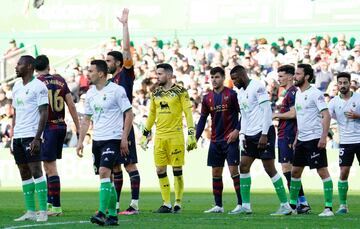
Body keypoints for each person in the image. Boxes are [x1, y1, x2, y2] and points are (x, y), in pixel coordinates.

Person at [76, 60, 133, 226]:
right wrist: (80, 141)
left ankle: (101, 213)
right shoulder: (90, 93)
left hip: (113, 138)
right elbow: (86, 119)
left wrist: (124, 138)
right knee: (106, 178)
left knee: (103, 172)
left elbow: (129, 114)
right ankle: (113, 215)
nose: (88, 73)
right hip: (97, 140)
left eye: (91, 71)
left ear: (101, 73)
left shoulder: (117, 90)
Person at [230, 65, 291, 215]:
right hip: (249, 134)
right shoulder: (240, 93)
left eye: (235, 79)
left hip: (263, 132)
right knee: (243, 166)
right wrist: (242, 136)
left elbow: (267, 111)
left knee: (269, 168)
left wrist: (264, 134)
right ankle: (245, 206)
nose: (233, 82)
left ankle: (285, 205)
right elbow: (243, 116)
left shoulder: (257, 86)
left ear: (242, 76)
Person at [139, 63, 197, 213]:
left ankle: (177, 202)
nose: (157, 77)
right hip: (159, 137)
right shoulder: (155, 93)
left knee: (177, 169)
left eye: (160, 74)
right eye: (157, 74)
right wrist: (145, 134)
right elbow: (152, 114)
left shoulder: (180, 91)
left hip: (175, 136)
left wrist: (191, 133)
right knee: (160, 169)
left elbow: (188, 112)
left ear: (169, 75)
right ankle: (166, 203)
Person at [35, 55, 80, 216]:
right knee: (48, 166)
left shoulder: (37, 83)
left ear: (34, 68)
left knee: (50, 167)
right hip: (61, 126)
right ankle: (50, 203)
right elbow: (71, 105)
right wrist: (78, 127)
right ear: (48, 65)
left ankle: (56, 207)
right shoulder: (60, 80)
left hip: (48, 127)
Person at [105, 8, 141, 215]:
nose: (107, 63)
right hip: (113, 127)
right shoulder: (110, 82)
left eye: (109, 61)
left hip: (125, 127)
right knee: (116, 168)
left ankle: (134, 205)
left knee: (129, 166)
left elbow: (126, 49)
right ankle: (116, 206)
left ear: (118, 62)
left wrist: (124, 25)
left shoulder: (126, 74)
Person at [195, 67, 242, 214]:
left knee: (234, 170)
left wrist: (237, 130)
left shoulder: (232, 95)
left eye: (216, 77)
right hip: (215, 141)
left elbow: (244, 114)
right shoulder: (207, 98)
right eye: (212, 77)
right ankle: (218, 206)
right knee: (216, 173)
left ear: (223, 78)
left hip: (230, 140)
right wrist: (195, 137)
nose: (214, 80)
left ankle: (241, 204)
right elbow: (203, 119)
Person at [289, 63, 333, 217]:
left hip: (315, 139)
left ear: (306, 76)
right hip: (301, 139)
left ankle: (328, 208)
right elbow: (301, 118)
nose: (295, 76)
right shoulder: (298, 93)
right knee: (295, 172)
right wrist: (296, 138)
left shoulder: (315, 93)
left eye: (298, 74)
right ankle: (293, 206)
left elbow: (326, 115)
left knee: (322, 172)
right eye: (295, 74)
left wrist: (323, 137)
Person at [11, 55, 49, 222]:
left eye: (19, 64)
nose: (16, 66)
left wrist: (37, 137)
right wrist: (13, 135)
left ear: (29, 67)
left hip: (31, 135)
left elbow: (44, 112)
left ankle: (43, 211)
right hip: (18, 136)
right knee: (24, 172)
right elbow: (15, 113)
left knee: (36, 171)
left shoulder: (39, 86)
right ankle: (30, 211)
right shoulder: (16, 86)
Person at [272, 65, 310, 214]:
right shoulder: (287, 93)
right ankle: (301, 202)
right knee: (289, 169)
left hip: (289, 133)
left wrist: (275, 115)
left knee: (288, 168)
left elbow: (294, 114)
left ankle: (300, 202)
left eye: (281, 76)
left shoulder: (293, 92)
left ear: (289, 76)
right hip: (284, 134)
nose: (279, 79)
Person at [328, 72, 360, 214]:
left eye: (345, 83)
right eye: (340, 83)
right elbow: (326, 117)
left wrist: (357, 116)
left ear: (349, 83)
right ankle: (343, 205)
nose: (342, 85)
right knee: (343, 172)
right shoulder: (334, 102)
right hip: (345, 142)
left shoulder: (359, 98)